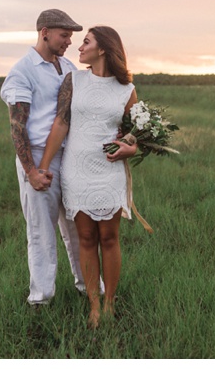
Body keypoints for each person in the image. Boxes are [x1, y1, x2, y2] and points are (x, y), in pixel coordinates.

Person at [37, 25, 138, 328]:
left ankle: (109, 302)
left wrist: (129, 149)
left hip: (109, 171)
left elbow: (136, 134)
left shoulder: (126, 89)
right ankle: (93, 303)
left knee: (109, 237)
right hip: (77, 170)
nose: (79, 48)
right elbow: (60, 124)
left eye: (86, 42)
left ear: (103, 48)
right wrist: (42, 167)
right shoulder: (74, 80)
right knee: (85, 237)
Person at [0, 8, 89, 306]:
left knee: (78, 225)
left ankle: (89, 287)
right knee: (41, 231)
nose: (68, 42)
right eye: (64, 35)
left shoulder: (67, 66)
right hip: (39, 157)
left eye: (71, 37)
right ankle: (41, 299)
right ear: (45, 32)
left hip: (69, 156)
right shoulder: (22, 70)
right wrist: (31, 171)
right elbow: (17, 126)